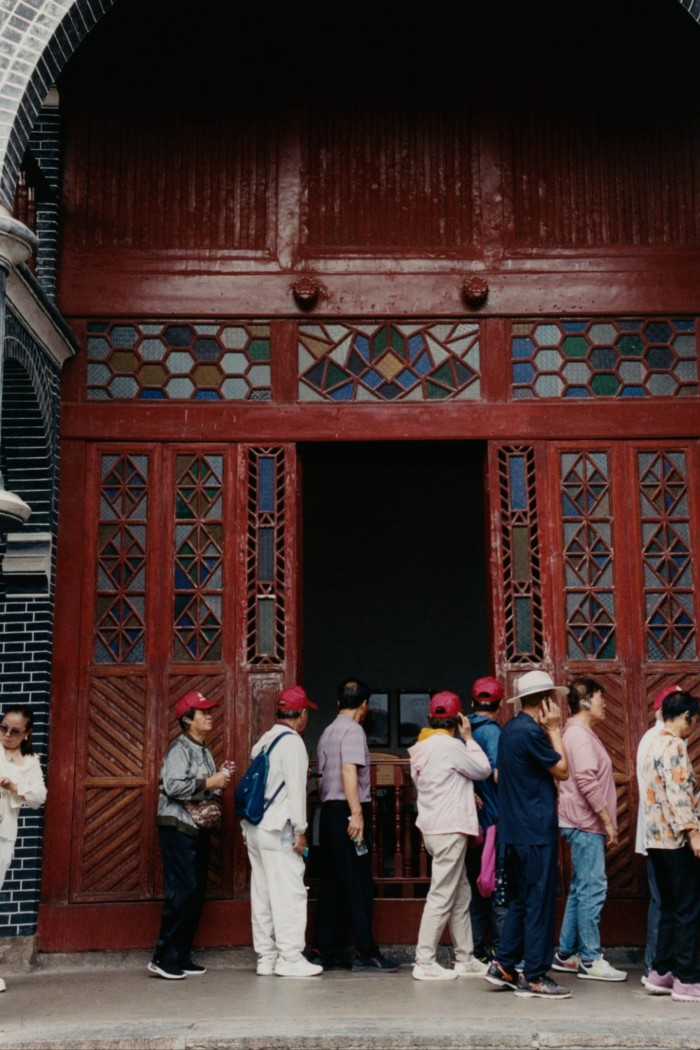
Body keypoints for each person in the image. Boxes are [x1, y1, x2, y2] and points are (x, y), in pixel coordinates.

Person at [483, 669, 571, 1000]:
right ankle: (534, 974)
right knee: (539, 903)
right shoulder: (534, 733)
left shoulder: (509, 730)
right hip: (535, 831)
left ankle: (504, 964)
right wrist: (554, 729)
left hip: (514, 830)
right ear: (547, 700)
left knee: (520, 900)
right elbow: (562, 770)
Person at [309, 677, 399, 972]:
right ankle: (366, 951)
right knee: (359, 883)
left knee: (333, 882)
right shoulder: (354, 731)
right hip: (348, 812)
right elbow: (349, 771)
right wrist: (356, 813)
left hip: (330, 813)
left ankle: (323, 948)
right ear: (364, 705)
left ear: (338, 703)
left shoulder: (328, 731)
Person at [149, 690, 233, 980]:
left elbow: (204, 788)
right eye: (203, 712)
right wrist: (211, 780)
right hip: (177, 826)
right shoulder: (179, 749)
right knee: (182, 890)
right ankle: (163, 956)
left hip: (197, 827)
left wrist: (219, 779)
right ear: (187, 719)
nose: (210, 716)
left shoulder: (203, 748)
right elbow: (172, 786)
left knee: (194, 891)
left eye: (210, 711)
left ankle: (180, 956)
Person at [241, 685, 323, 978]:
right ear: (301, 714)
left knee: (262, 893)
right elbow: (296, 792)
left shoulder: (265, 740)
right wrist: (301, 830)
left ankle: (266, 957)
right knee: (290, 892)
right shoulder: (293, 744)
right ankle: (290, 957)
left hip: (254, 827)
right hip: (279, 828)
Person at [409, 691, 491, 981]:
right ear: (458, 720)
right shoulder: (451, 746)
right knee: (442, 895)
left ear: (431, 718)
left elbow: (437, 783)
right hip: (450, 829)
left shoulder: (422, 747)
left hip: (433, 828)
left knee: (460, 893)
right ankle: (424, 961)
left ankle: (465, 957)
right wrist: (469, 739)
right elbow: (482, 769)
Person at [552, 678, 627, 981]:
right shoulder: (580, 736)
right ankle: (590, 958)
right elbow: (586, 780)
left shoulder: (578, 733)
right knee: (594, 888)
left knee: (582, 888)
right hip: (584, 822)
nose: (604, 703)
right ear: (583, 703)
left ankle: (566, 954)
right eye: (599, 698)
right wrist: (608, 820)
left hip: (579, 821)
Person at [642, 690, 700, 1002]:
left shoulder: (652, 742)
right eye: (695, 721)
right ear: (687, 717)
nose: (695, 728)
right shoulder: (675, 745)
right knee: (688, 908)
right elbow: (678, 793)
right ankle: (688, 979)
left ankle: (660, 972)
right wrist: (694, 833)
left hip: (655, 838)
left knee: (666, 906)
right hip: (676, 840)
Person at [635, 683, 681, 984]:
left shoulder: (649, 739)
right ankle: (657, 966)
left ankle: (658, 966)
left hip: (653, 833)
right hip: (664, 834)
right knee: (665, 902)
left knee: (662, 901)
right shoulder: (664, 741)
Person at [0, 705, 47, 993]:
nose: (7, 734)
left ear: (27, 733)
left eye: (15, 731)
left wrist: (16, 787)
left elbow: (39, 797)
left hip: (3, 834)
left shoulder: (30, 761)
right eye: (3, 727)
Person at [467, 675, 507, 963]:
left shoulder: (462, 731)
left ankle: (476, 948)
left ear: (472, 702)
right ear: (499, 705)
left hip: (470, 823)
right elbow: (497, 774)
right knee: (495, 885)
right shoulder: (494, 733)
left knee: (475, 885)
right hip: (493, 820)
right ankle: (504, 950)